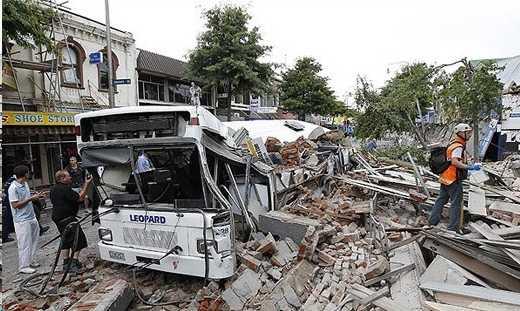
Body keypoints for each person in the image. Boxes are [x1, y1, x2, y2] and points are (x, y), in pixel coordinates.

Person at [429, 123, 481, 233]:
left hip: (445, 177)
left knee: (441, 199)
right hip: (453, 179)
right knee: (456, 203)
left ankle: (432, 221)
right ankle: (454, 228)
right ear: (461, 133)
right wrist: (469, 167)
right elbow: (454, 161)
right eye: (467, 132)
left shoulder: (453, 143)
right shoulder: (458, 146)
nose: (470, 134)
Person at [50, 170, 93, 273]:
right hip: (66, 218)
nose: (70, 178)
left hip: (58, 217)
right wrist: (87, 184)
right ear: (62, 179)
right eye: (68, 176)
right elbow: (80, 198)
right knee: (78, 239)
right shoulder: (64, 189)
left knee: (65, 239)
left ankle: (66, 262)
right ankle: (73, 262)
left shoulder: (53, 189)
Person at [8, 165, 46, 274]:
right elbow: (15, 205)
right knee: (24, 243)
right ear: (25, 174)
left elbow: (27, 196)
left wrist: (36, 195)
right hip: (21, 220)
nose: (29, 174)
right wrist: (30, 199)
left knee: (34, 239)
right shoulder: (13, 188)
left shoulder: (24, 184)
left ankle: (31, 260)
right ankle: (23, 266)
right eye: (28, 173)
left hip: (31, 216)